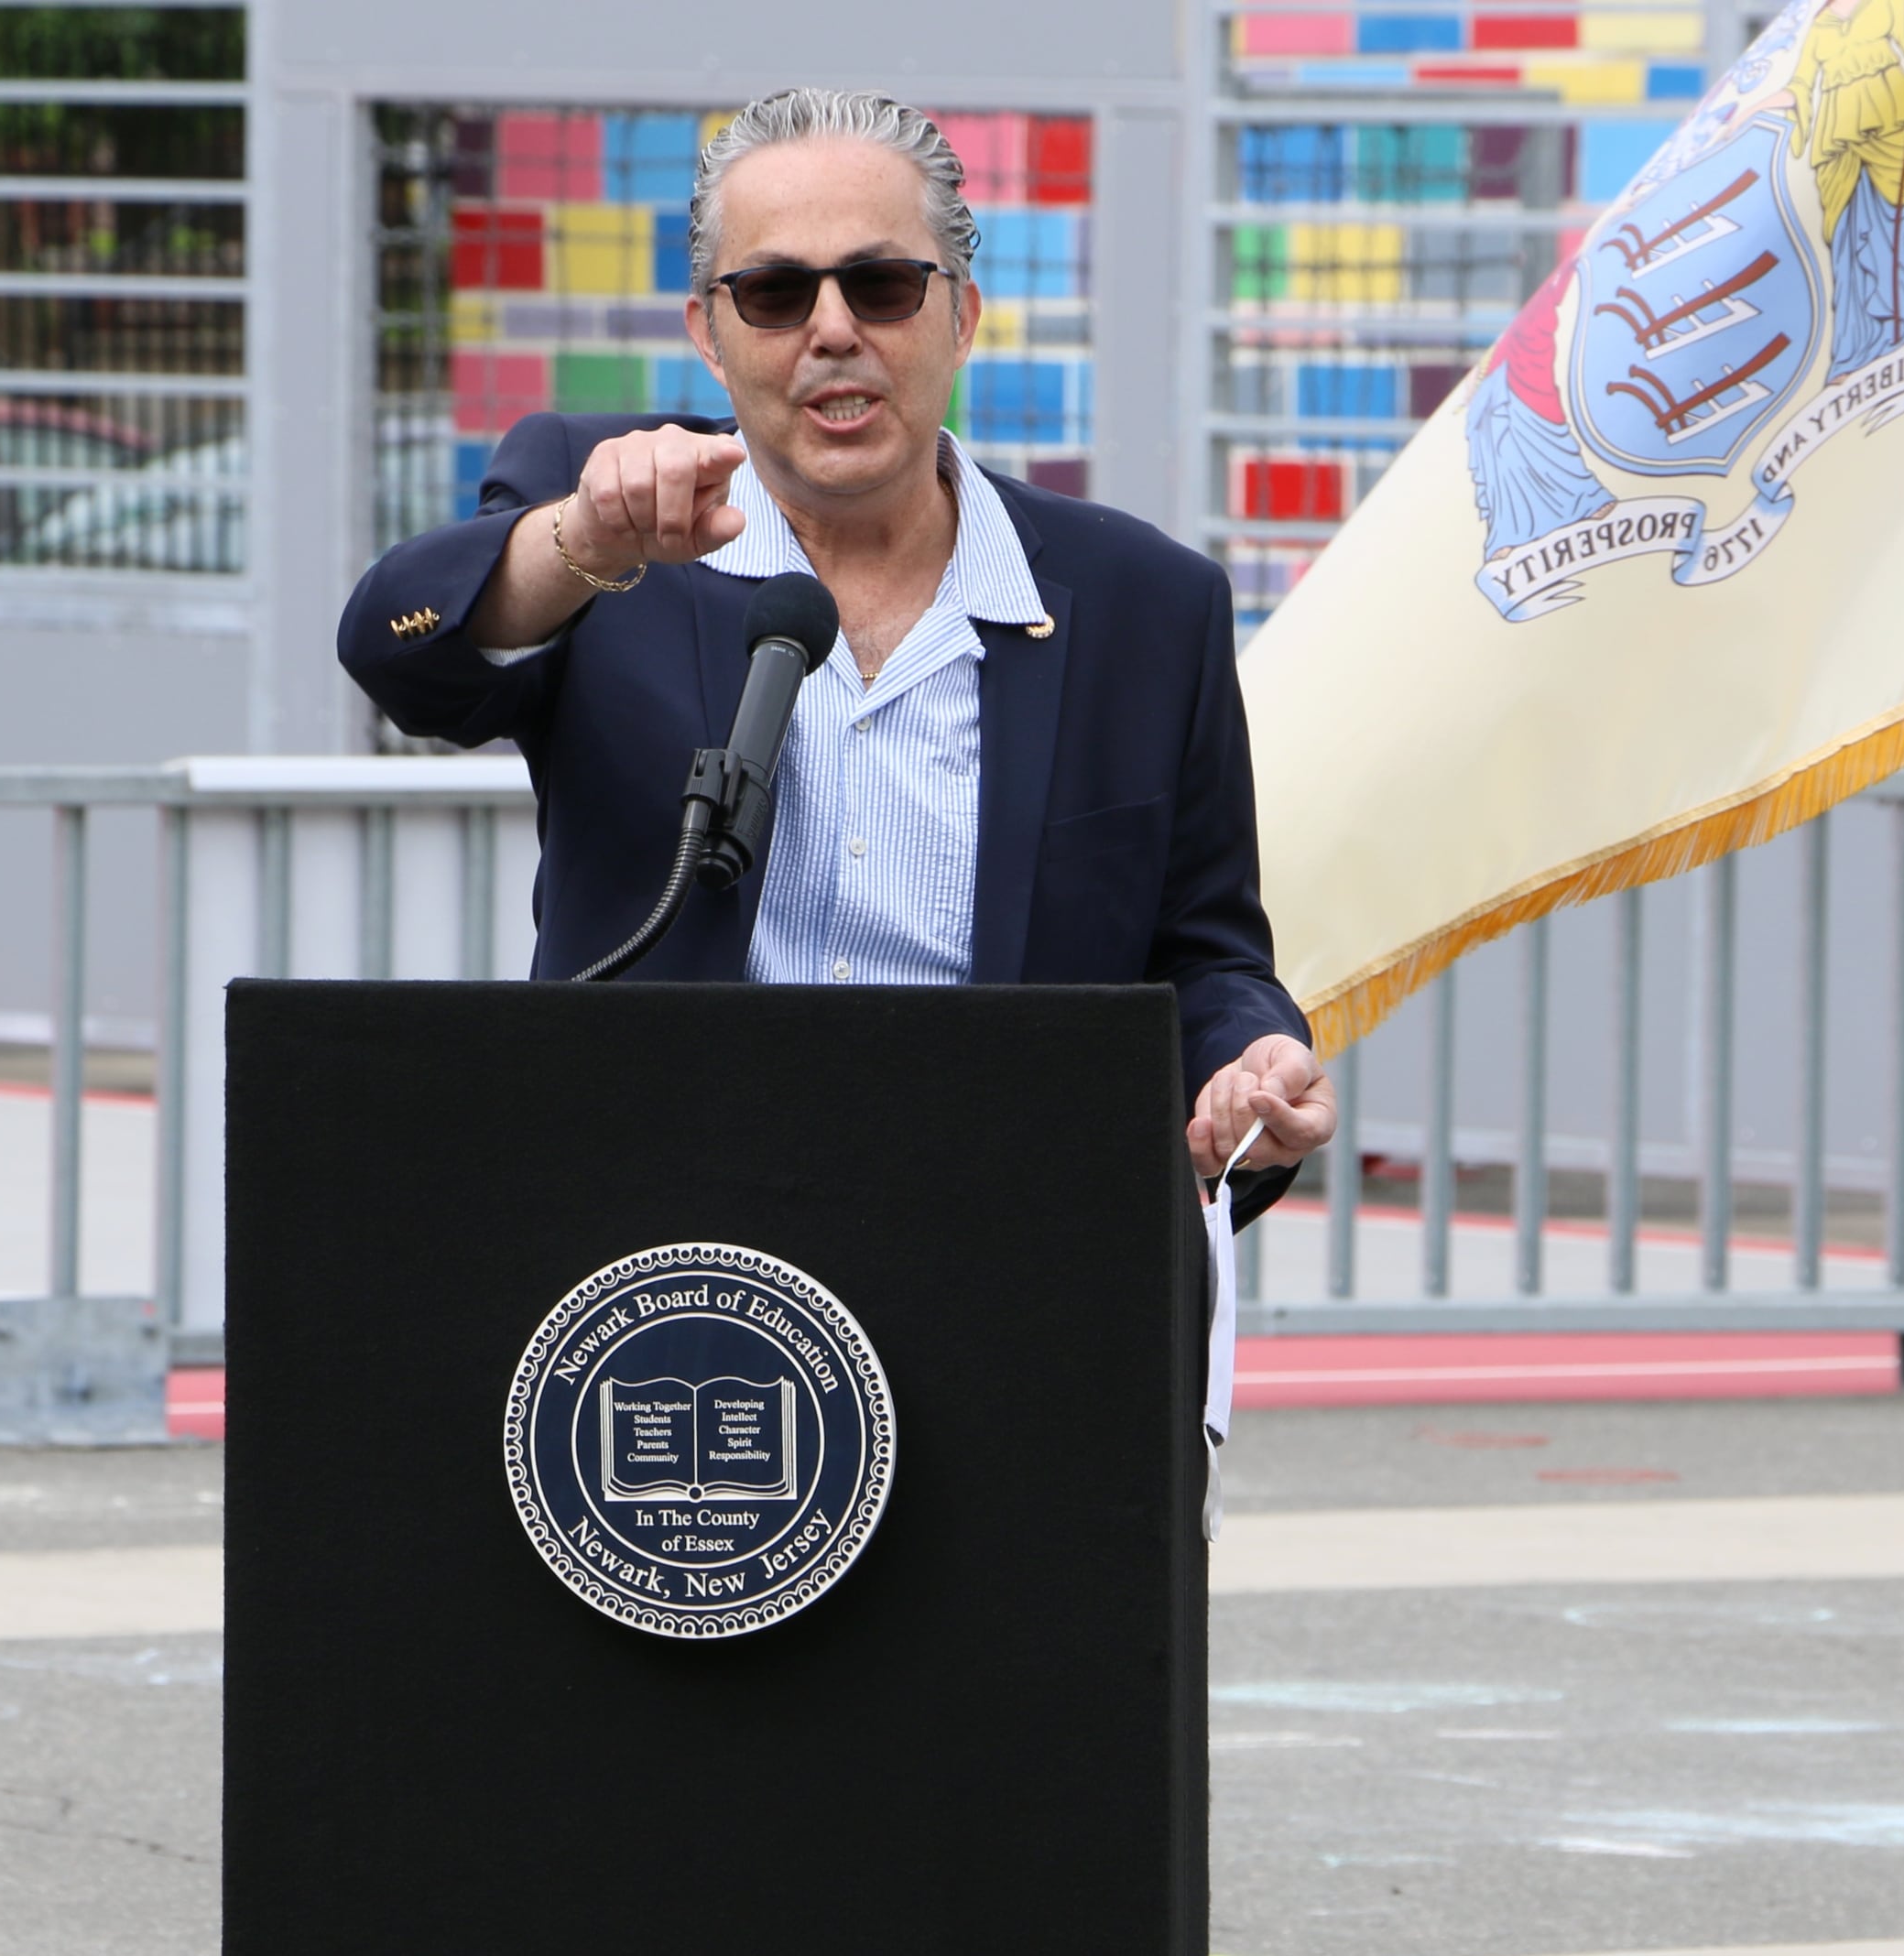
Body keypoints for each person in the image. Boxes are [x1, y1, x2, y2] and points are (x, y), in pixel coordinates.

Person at [339, 86, 1333, 1213]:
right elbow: (395, 652)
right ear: (708, 336)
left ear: (960, 316)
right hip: (665, 1248)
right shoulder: (609, 517)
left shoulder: (1147, 607)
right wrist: (578, 544)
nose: (832, 329)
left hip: (1002, 1247)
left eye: (881, 283)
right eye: (772, 292)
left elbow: (1208, 958)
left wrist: (1248, 1067)